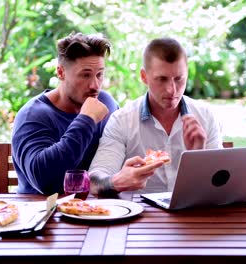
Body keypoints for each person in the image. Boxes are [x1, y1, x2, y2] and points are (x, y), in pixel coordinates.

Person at [89, 37, 223, 195]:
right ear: (144, 76)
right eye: (162, 79)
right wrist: (117, 181)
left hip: (190, 215)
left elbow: (219, 184)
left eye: (179, 79)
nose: (171, 90)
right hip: (140, 216)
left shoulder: (205, 116)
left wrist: (198, 157)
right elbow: (94, 182)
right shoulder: (122, 120)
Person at [12, 33, 118, 195]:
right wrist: (86, 120)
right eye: (85, 75)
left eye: (99, 74)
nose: (95, 85)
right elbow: (45, 181)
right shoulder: (33, 115)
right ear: (61, 72)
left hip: (97, 210)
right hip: (42, 212)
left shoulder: (106, 103)